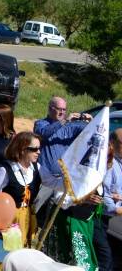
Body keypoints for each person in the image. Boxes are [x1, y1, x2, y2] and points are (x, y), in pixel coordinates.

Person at [36, 97, 100, 269]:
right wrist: (65, 120)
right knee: (35, 212)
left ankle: (48, 247)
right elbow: (45, 134)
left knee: (54, 215)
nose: (62, 112)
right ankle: (31, 240)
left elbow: (92, 133)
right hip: (45, 178)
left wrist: (91, 121)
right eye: (59, 109)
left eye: (64, 110)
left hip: (62, 180)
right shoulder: (40, 123)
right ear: (50, 108)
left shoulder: (71, 127)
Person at [0, 132, 42, 270]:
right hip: (7, 219)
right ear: (22, 149)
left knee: (19, 257)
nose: (38, 152)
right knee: (2, 256)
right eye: (34, 149)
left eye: (39, 148)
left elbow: (52, 183)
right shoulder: (5, 169)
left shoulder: (37, 168)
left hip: (25, 219)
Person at [100, 128, 122, 270]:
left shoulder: (119, 162)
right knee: (104, 256)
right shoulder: (110, 164)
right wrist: (117, 208)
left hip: (110, 219)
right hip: (100, 217)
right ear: (112, 143)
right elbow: (104, 194)